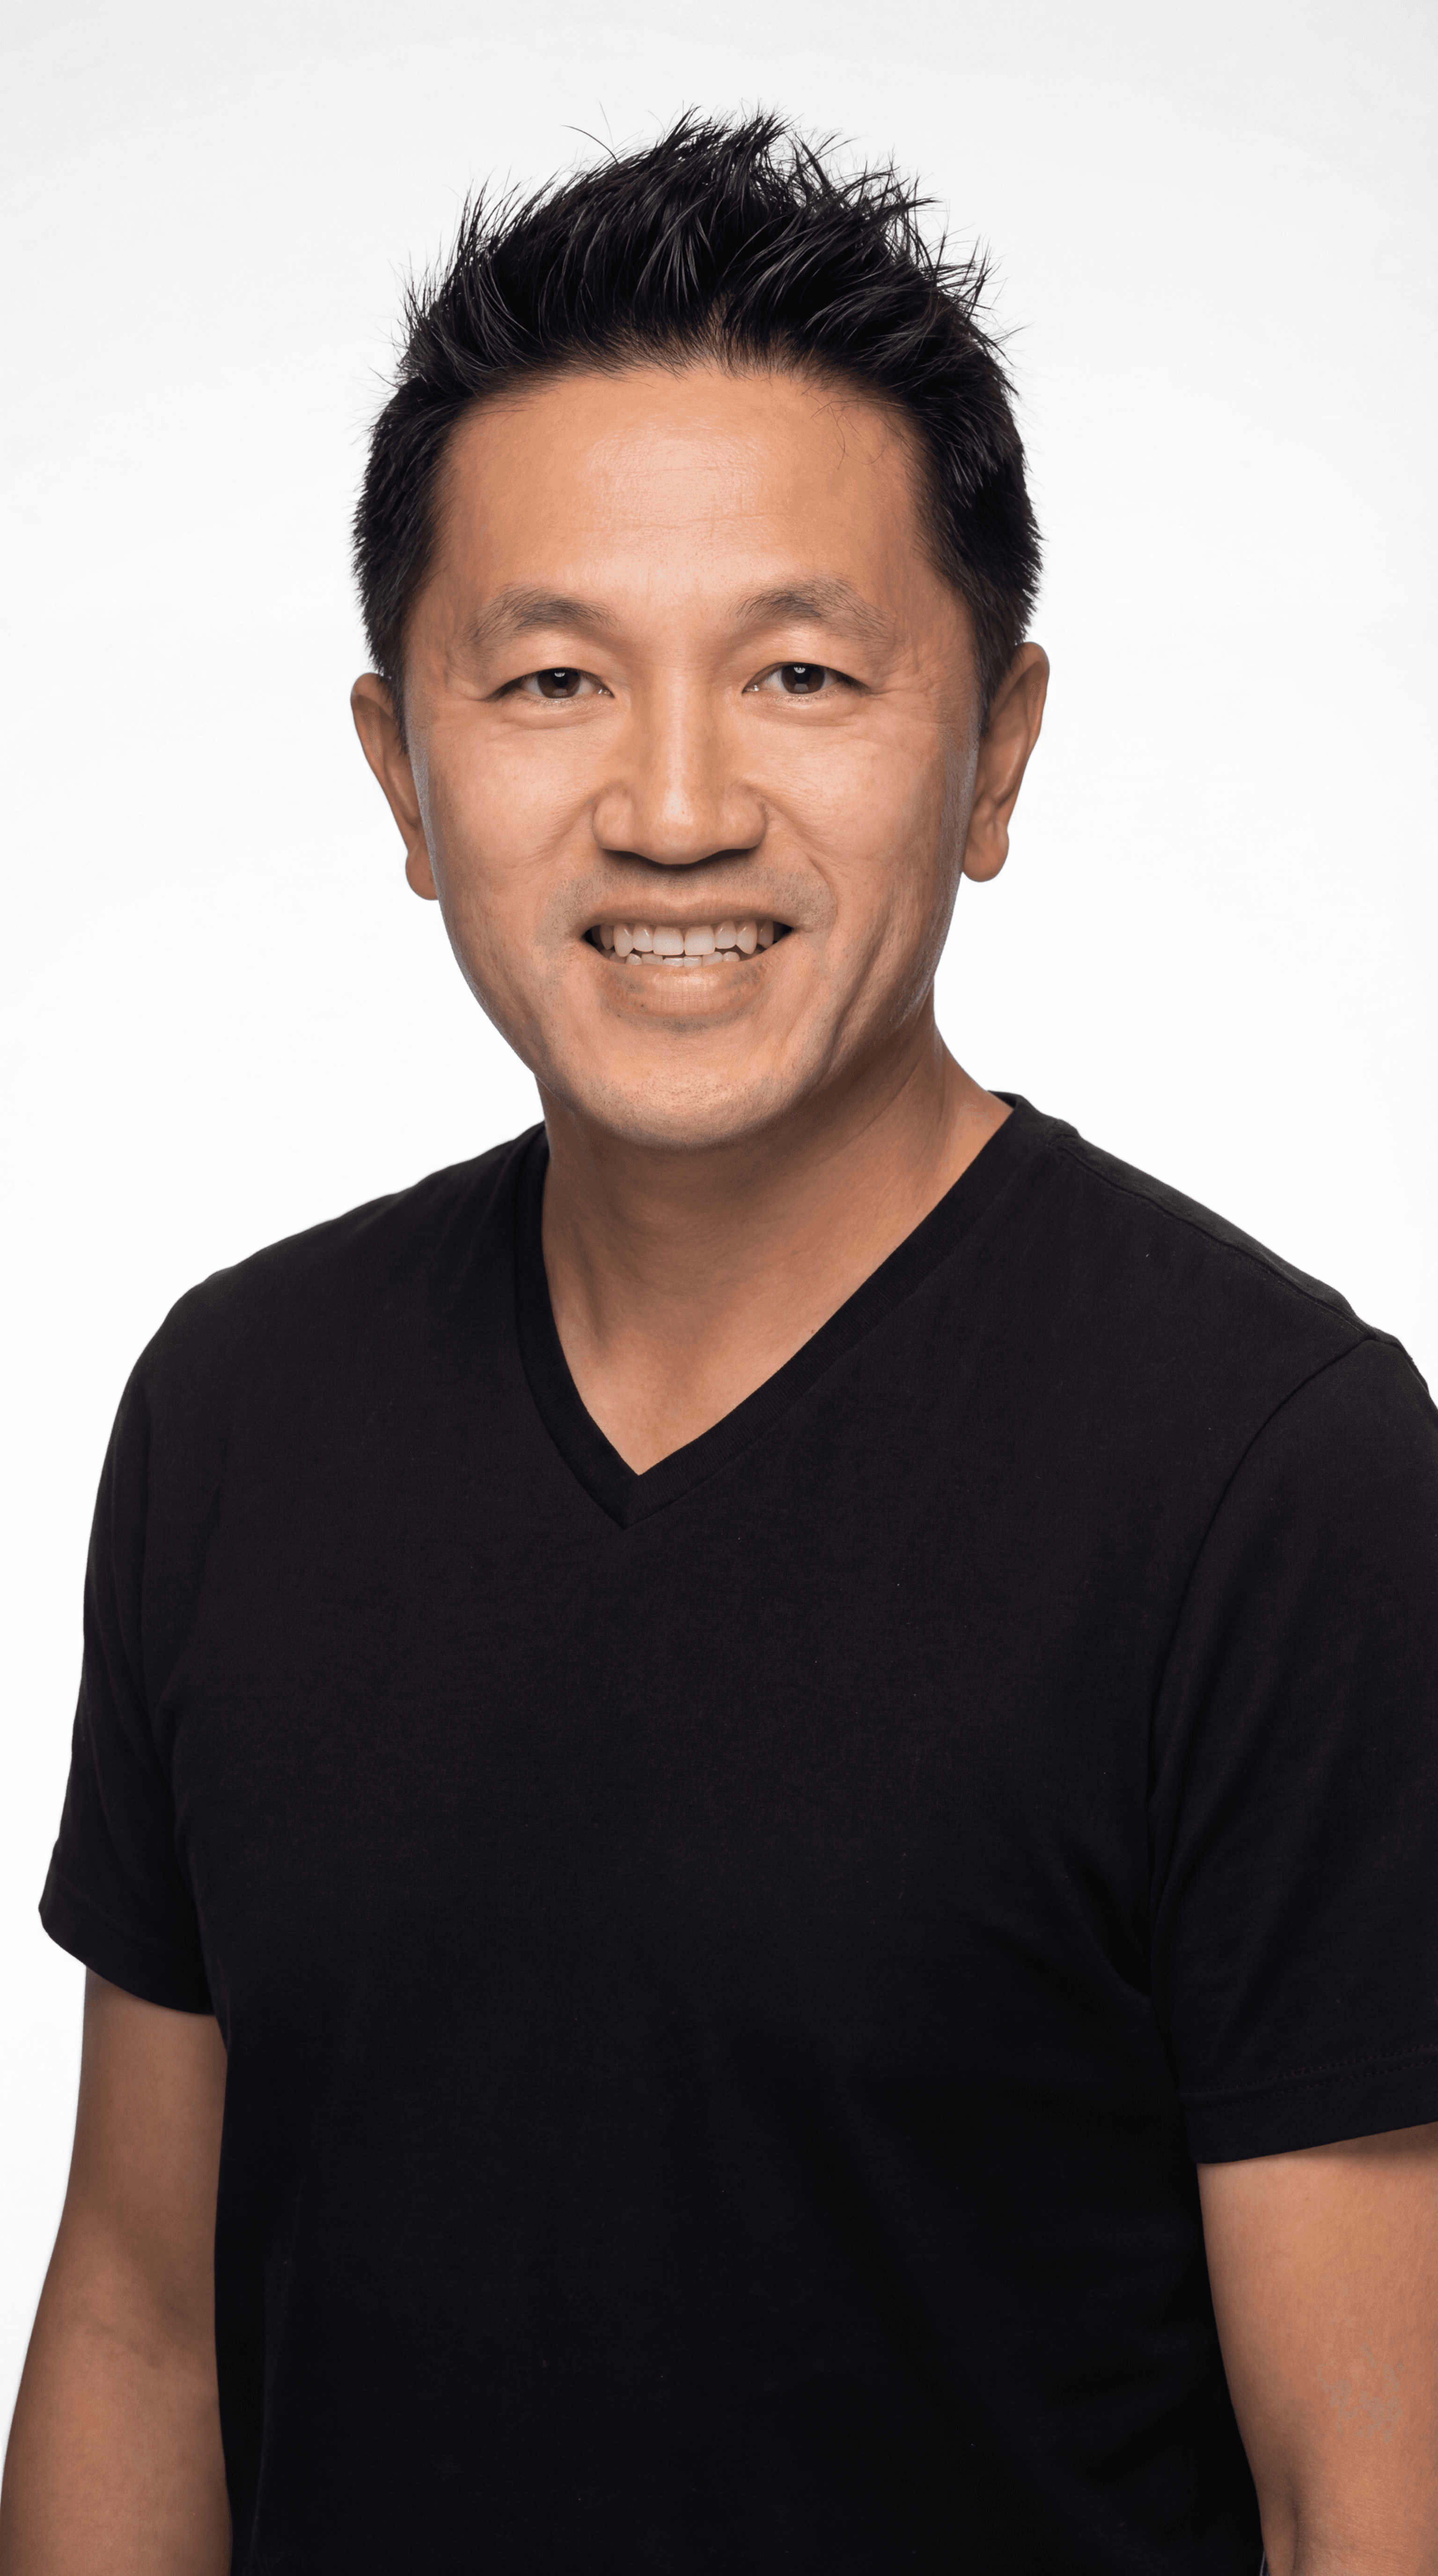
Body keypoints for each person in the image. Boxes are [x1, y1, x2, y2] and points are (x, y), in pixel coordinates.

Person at [2, 111, 1435, 2576]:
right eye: (553, 678)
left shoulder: (1272, 1476)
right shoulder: (239, 1414)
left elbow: (1373, 2487)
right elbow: (142, 2318)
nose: (677, 805)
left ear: (994, 748)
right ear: (405, 773)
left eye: (801, 672)